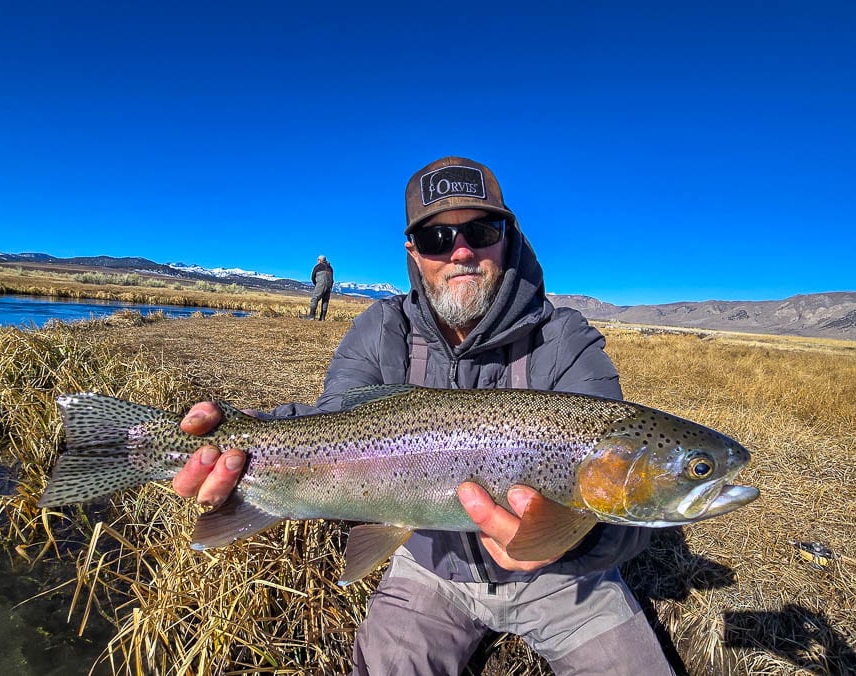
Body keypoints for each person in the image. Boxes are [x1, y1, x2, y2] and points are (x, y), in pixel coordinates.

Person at [173, 157, 675, 675]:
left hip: (567, 579)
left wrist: (570, 539)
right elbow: (328, 429)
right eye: (437, 238)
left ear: (509, 236)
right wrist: (246, 437)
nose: (462, 251)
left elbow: (629, 519)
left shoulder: (568, 342)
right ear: (413, 251)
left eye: (481, 230)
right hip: (428, 567)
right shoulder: (377, 331)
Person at [308, 254, 334, 320]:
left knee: (315, 299)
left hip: (321, 284)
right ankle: (322, 318)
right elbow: (332, 279)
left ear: (319, 260)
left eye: (318, 260)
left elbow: (313, 277)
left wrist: (316, 284)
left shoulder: (317, 266)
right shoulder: (330, 268)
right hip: (329, 285)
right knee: (325, 301)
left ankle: (311, 316)